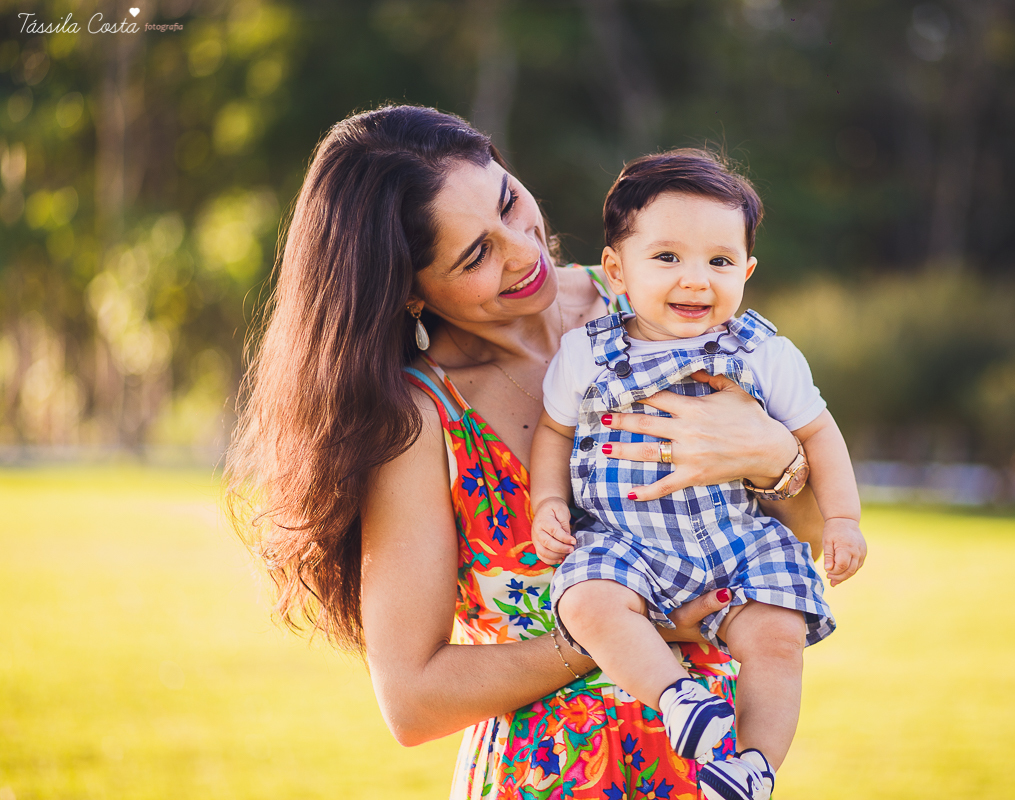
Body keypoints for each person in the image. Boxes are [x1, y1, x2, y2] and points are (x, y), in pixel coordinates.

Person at [225, 105, 829, 799]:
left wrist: (775, 458)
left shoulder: (659, 303)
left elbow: (806, 536)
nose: (523, 250)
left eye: (510, 203)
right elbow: (412, 700)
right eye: (476, 254)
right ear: (410, 293)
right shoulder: (423, 422)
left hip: (715, 772)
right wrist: (602, 632)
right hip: (549, 780)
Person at [528, 149, 867, 800]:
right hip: (624, 540)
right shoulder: (586, 353)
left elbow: (818, 432)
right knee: (586, 600)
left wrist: (844, 519)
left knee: (777, 635)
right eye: (668, 258)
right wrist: (549, 502)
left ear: (748, 270)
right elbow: (555, 431)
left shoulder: (762, 351)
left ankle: (753, 768)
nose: (696, 280)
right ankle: (680, 699)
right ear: (616, 270)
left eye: (719, 261)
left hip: (734, 540)